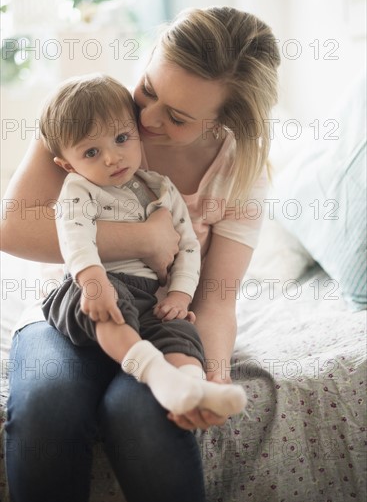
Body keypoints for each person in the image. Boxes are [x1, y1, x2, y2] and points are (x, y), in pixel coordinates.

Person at [1, 6, 280, 502]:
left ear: (224, 121)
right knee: (48, 402)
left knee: (142, 411)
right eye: (149, 89)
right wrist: (141, 239)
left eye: (176, 117)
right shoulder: (89, 112)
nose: (146, 118)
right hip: (70, 306)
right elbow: (12, 226)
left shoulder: (239, 169)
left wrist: (213, 377)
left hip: (164, 316)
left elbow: (216, 298)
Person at [40, 73, 247, 418]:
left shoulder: (160, 189)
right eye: (92, 152)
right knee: (111, 305)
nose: (112, 158)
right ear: (67, 164)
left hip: (149, 296)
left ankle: (194, 385)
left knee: (178, 328)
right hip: (90, 286)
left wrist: (180, 295)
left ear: (136, 134)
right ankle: (157, 374)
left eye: (121, 139)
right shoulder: (79, 189)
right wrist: (93, 281)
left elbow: (188, 247)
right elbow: (73, 234)